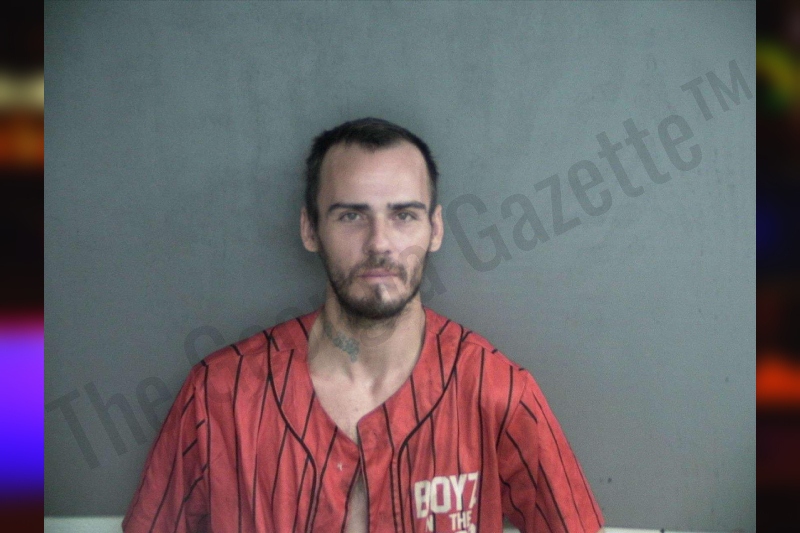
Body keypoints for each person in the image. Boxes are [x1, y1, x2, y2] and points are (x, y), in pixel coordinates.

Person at [123, 118, 605, 533]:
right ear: (310, 229)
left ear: (435, 229)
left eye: (404, 215)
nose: (379, 243)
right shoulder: (218, 397)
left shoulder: (498, 392)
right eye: (351, 215)